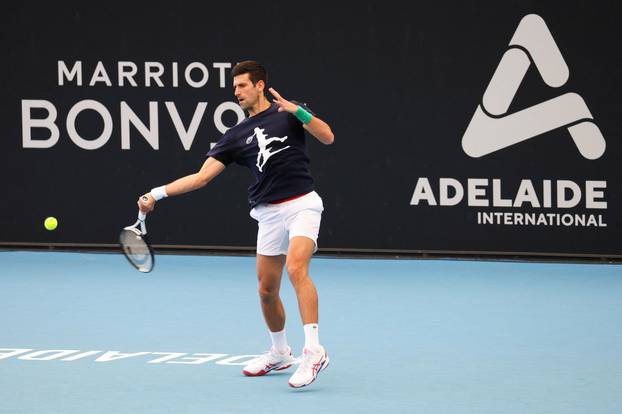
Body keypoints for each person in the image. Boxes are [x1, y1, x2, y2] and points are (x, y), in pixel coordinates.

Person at [137, 60, 334, 388]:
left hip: (302, 204)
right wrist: (157, 193)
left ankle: (313, 351)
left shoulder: (290, 112)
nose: (236, 93)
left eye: (242, 86)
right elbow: (201, 178)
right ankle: (280, 352)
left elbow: (327, 137)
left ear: (259, 85)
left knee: (297, 269)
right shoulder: (235, 135)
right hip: (268, 212)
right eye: (234, 89)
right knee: (266, 290)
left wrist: (297, 111)